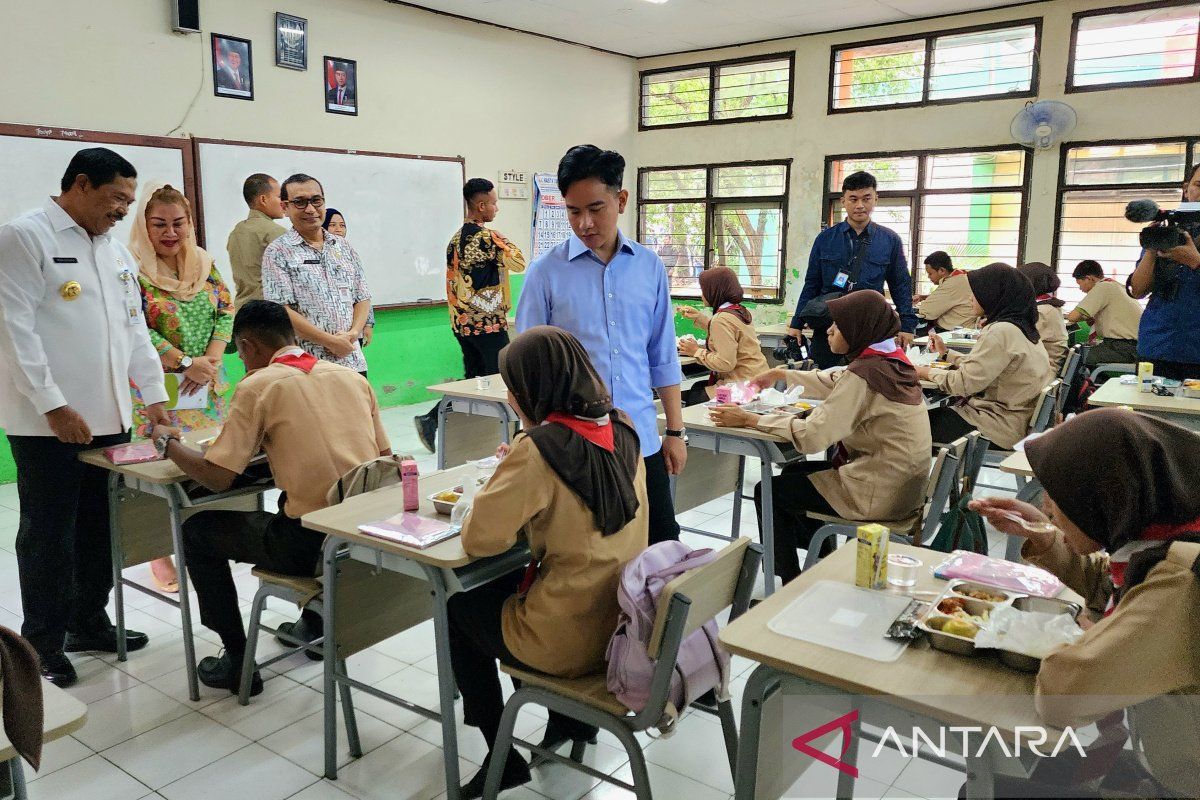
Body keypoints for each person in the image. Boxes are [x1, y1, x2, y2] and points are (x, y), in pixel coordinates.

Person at [147, 300, 391, 694]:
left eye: (240, 354)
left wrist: (168, 446)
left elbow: (218, 478)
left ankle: (238, 659)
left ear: (248, 346)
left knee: (196, 531)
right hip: (361, 532)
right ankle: (313, 621)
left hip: (310, 542)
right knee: (284, 503)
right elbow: (382, 457)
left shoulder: (258, 385)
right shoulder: (349, 377)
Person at [446, 326, 648, 798]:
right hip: (620, 624)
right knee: (511, 586)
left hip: (567, 639)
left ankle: (501, 752)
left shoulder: (538, 451)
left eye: (512, 387)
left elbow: (479, 539)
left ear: (530, 389)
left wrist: (511, 466)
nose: (511, 397)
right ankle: (571, 723)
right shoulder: (623, 427)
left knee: (458, 607)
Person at [0, 148, 169, 687]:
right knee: (49, 533)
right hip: (47, 423)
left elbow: (134, 331)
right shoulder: (26, 237)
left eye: (128, 200)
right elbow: (13, 330)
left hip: (110, 416)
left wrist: (156, 395)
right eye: (116, 198)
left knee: (101, 527)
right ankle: (41, 645)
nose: (123, 211)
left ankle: (88, 621)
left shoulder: (114, 252)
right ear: (79, 184)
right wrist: (52, 403)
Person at [971, 408, 1200, 799]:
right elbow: (1111, 587)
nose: (1046, 508)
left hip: (1179, 785)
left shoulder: (1181, 580)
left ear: (1105, 499)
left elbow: (1065, 696)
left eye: (1059, 499)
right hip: (1170, 761)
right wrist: (1046, 538)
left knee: (983, 790)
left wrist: (1093, 638)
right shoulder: (1167, 540)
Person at [517, 144, 685, 545]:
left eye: (596, 208)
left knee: (663, 546)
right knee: (593, 559)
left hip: (642, 437)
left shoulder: (649, 267)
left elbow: (661, 355)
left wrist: (675, 432)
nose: (585, 223)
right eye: (574, 211)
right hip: (576, 449)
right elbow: (525, 372)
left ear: (621, 199)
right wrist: (536, 439)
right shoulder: (545, 274)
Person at [710, 291, 931, 584]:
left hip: (877, 493)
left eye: (838, 325)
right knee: (794, 471)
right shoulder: (890, 362)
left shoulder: (866, 374)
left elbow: (814, 437)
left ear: (858, 329)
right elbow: (835, 381)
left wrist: (751, 419)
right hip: (900, 486)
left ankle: (788, 581)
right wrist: (782, 373)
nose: (828, 330)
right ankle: (820, 562)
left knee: (770, 491)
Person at [129, 183, 235, 594]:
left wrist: (208, 360)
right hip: (158, 386)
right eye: (159, 225)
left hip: (205, 385)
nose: (170, 233)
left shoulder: (205, 264)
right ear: (145, 227)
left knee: (204, 456)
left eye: (178, 223)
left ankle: (200, 537)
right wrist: (185, 363)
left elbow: (225, 309)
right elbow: (134, 327)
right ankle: (157, 551)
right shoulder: (132, 270)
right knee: (160, 465)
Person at [414, 178, 526, 452]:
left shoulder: (454, 240)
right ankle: (512, 443)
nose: (496, 208)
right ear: (481, 204)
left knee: (474, 382)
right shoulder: (488, 238)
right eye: (494, 202)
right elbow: (519, 261)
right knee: (504, 381)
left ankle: (432, 421)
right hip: (488, 323)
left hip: (462, 324)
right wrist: (502, 246)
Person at [787, 171, 916, 368]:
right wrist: (797, 323)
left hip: (871, 327)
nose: (860, 205)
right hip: (829, 325)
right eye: (853, 199)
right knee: (825, 378)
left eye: (866, 198)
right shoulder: (825, 239)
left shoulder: (889, 240)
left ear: (876, 199)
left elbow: (900, 285)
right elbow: (812, 283)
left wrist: (907, 325)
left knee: (870, 381)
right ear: (843, 201)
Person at [918, 263, 1052, 449]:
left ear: (993, 294)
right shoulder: (1020, 328)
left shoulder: (1000, 331)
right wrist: (947, 354)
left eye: (977, 293)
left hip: (992, 427)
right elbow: (988, 369)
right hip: (1012, 422)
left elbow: (963, 384)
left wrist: (923, 371)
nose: (970, 298)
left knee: (905, 427)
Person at [262, 173, 372, 376]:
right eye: (300, 202)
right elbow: (282, 311)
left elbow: (362, 297)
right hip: (306, 365)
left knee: (358, 409)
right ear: (285, 207)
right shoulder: (278, 251)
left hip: (352, 359)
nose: (311, 209)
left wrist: (353, 334)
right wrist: (329, 341)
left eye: (316, 200)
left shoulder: (344, 247)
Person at [1127, 163, 1200, 380]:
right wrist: (1151, 248)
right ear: (1186, 189)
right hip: (1158, 344)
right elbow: (1138, 290)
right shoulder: (1167, 227)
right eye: (1198, 185)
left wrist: (1195, 261)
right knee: (1148, 413)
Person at [677, 267, 769, 405]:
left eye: (704, 290)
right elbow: (727, 335)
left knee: (693, 397)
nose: (702, 295)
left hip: (742, 387)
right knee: (697, 387)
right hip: (758, 380)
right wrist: (700, 318)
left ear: (715, 291)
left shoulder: (721, 318)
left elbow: (725, 363)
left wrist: (696, 351)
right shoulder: (738, 310)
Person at [227, 173, 286, 311]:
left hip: (242, 310)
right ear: (263, 199)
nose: (284, 203)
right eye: (279, 197)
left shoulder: (236, 232)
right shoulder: (276, 232)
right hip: (270, 311)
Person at [1068, 259, 1142, 367]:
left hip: (1122, 347)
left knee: (1076, 358)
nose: (1080, 288)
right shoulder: (1115, 285)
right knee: (1083, 354)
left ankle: (1085, 383)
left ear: (1089, 278)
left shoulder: (1103, 287)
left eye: (1080, 283)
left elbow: (1073, 316)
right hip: (1132, 346)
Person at [321, 207, 374, 348]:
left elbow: (362, 290)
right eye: (332, 225)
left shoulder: (350, 253)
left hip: (354, 327)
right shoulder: (316, 253)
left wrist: (368, 323)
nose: (338, 229)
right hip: (327, 330)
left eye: (342, 225)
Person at [1017, 261, 1068, 374]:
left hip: (1041, 373)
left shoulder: (1042, 312)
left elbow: (1017, 342)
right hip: (1043, 367)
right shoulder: (1050, 306)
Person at [916, 251, 977, 332]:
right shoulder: (961, 277)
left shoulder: (952, 283)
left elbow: (927, 311)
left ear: (942, 270)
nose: (928, 277)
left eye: (930, 273)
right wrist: (923, 297)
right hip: (964, 328)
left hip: (952, 331)